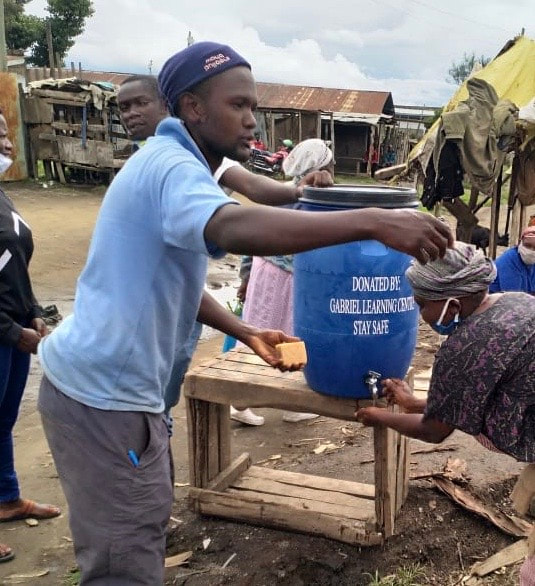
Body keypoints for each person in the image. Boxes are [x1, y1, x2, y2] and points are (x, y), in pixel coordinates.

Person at [37, 41, 452, 585]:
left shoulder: (185, 165)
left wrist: (244, 329)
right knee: (124, 561)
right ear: (191, 107)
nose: (252, 119)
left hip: (116, 396)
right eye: (238, 105)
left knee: (141, 529)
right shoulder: (170, 168)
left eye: (253, 105)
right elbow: (232, 226)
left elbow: (169, 281)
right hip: (105, 402)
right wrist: (371, 221)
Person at [117, 75, 333, 429]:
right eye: (124, 107)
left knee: (168, 383)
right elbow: (233, 227)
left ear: (172, 107)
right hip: (141, 313)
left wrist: (297, 191)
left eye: (141, 103)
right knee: (140, 400)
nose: (132, 113)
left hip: (183, 301)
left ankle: (162, 424)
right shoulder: (155, 162)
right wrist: (370, 222)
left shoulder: (203, 153)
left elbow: (256, 187)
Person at [355, 241, 534, 585]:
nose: (418, 309)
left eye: (422, 302)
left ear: (451, 302)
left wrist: (377, 417)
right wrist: (415, 402)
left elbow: (435, 430)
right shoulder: (516, 301)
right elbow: (486, 390)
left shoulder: (464, 347)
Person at [234, 138, 334, 425]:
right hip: (288, 279)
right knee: (289, 335)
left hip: (263, 272)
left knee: (257, 328)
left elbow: (252, 241)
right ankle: (285, 404)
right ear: (321, 167)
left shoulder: (279, 195)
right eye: (330, 164)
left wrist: (245, 278)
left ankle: (240, 400)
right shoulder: (310, 201)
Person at [0, 107, 60, 564]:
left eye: (6, 136)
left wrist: (35, 311)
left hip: (14, 331)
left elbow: (14, 267)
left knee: (2, 422)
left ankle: (7, 498)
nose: (6, 146)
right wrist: (9, 330)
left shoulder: (4, 198)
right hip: (4, 332)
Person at [489, 226, 535, 294]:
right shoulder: (507, 263)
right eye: (527, 245)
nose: (531, 251)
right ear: (520, 243)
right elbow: (513, 298)